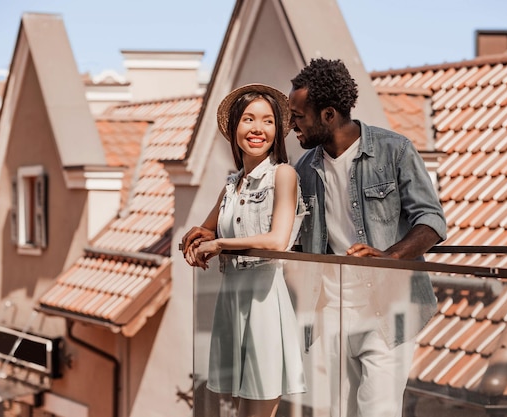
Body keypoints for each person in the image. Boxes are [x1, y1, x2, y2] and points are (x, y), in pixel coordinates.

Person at [288, 58, 448, 417]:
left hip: (389, 308)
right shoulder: (304, 169)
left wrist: (390, 257)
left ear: (328, 114)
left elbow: (432, 220)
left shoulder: (395, 150)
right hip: (331, 311)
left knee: (378, 411)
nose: (290, 125)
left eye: (298, 116)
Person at [181, 83, 307, 417]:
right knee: (239, 411)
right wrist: (195, 240)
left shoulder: (283, 175)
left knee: (259, 409)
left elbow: (277, 239)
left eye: (267, 121)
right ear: (234, 128)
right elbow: (208, 229)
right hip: (231, 299)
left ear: (278, 130)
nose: (257, 129)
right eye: (248, 119)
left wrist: (219, 244)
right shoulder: (232, 185)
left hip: (265, 300)